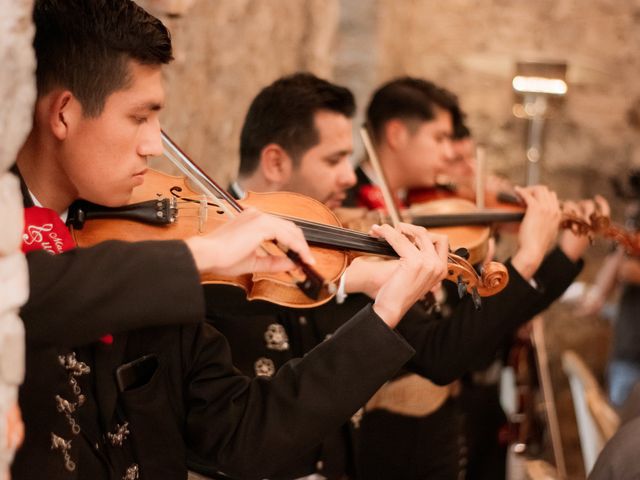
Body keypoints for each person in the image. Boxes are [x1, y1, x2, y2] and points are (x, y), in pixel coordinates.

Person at [12, 2, 452, 478]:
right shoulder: (28, 250)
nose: (155, 145)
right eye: (140, 117)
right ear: (63, 114)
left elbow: (242, 437)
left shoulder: (149, 246)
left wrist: (383, 314)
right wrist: (200, 253)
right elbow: (29, 293)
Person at [206, 73, 593, 480]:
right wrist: (530, 258)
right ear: (276, 162)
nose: (350, 176)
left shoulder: (335, 236)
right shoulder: (215, 259)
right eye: (334, 160)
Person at [344, 76, 600, 480]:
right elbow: (440, 350)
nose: (450, 156)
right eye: (441, 139)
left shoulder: (419, 207)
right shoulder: (354, 216)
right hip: (386, 437)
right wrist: (528, 258)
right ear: (396, 134)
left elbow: (478, 322)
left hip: (440, 424)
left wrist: (559, 256)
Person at [579, 171, 640, 408]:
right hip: (628, 352)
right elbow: (614, 272)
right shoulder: (627, 244)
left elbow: (628, 271)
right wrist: (625, 237)